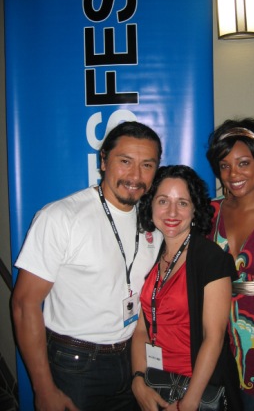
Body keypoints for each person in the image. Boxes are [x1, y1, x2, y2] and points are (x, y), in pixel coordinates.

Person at [11, 121, 163, 411]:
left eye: (147, 165)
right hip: (76, 366)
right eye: (125, 162)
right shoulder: (61, 217)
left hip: (131, 359)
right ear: (103, 160)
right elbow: (23, 304)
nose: (135, 176)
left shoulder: (152, 223)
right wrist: (43, 389)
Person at [131, 165, 242, 411]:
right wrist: (138, 379)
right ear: (150, 205)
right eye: (163, 201)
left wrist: (188, 403)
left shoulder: (211, 259)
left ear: (195, 209)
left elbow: (214, 339)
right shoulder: (152, 253)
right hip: (155, 381)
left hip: (195, 389)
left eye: (182, 202)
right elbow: (141, 329)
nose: (172, 212)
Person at [206, 118, 254, 411]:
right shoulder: (210, 212)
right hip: (219, 335)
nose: (232, 174)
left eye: (243, 163)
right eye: (224, 165)